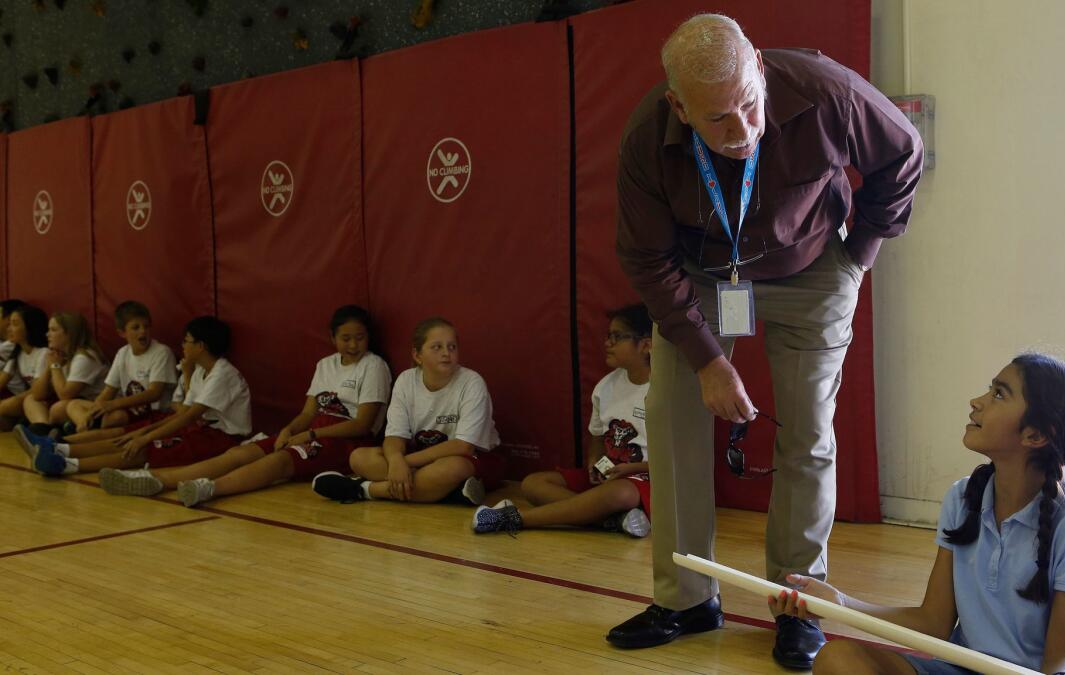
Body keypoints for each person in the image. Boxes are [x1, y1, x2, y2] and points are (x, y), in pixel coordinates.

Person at [606, 13, 924, 669]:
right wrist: (707, 358)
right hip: (703, 278)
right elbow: (648, 261)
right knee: (671, 422)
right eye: (719, 118)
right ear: (679, 107)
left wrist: (858, 256)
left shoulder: (823, 89)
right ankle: (687, 597)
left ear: (757, 61)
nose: (743, 130)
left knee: (808, 431)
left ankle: (798, 602)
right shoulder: (645, 140)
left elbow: (902, 153)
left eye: (750, 104)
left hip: (811, 270)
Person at [769, 354, 1065, 675]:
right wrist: (839, 604)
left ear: (1035, 434)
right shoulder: (963, 497)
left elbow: (1061, 658)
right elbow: (933, 622)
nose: (977, 401)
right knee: (838, 659)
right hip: (961, 668)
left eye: (998, 394)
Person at [97, 305, 391, 508]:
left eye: (359, 338)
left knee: (279, 462)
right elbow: (308, 413)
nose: (353, 344)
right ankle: (156, 480)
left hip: (347, 440)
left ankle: (210, 488)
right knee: (242, 452)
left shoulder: (373, 366)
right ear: (332, 337)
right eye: (345, 338)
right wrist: (289, 429)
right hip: (314, 431)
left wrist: (309, 437)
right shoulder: (325, 365)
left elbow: (362, 423)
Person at [474, 303, 652, 537]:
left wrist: (633, 468)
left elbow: (681, 461)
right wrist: (593, 464)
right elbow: (597, 436)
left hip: (644, 480)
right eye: (608, 336)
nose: (607, 343)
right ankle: (612, 520)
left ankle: (516, 518)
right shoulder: (606, 385)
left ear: (646, 344)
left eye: (617, 337)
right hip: (611, 477)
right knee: (533, 483)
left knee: (621, 494)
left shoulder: (667, 391)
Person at [20, 316, 251, 477]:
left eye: (186, 341)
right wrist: (141, 432)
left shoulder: (222, 374)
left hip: (222, 439)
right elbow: (183, 412)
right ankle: (59, 449)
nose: (182, 345)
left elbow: (187, 415)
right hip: (200, 428)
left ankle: (65, 464)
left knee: (141, 449)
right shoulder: (200, 369)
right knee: (129, 438)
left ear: (200, 346)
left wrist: (145, 437)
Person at [311, 316, 501, 506]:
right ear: (417, 355)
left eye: (452, 347)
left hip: (469, 459)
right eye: (437, 347)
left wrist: (404, 463)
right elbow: (394, 436)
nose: (446, 353)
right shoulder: (406, 380)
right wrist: (395, 461)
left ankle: (365, 489)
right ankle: (447, 492)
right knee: (359, 457)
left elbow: (463, 446)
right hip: (421, 458)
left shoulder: (472, 382)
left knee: (453, 468)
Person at [65, 301, 177, 433]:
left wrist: (112, 405)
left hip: (153, 413)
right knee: (73, 405)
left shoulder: (162, 352)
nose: (143, 331)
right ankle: (84, 427)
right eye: (136, 327)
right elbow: (109, 391)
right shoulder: (123, 352)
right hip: (129, 410)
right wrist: (93, 411)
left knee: (116, 417)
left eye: (146, 326)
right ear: (122, 333)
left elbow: (154, 393)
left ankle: (77, 432)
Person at [22, 311, 107, 435]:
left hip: (94, 406)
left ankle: (46, 433)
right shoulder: (60, 355)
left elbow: (65, 395)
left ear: (69, 334)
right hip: (76, 402)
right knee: (30, 400)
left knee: (59, 408)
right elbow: (37, 394)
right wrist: (49, 367)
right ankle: (45, 429)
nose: (47, 334)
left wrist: (55, 366)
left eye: (53, 330)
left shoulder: (85, 357)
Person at [0, 304, 49, 430]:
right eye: (9, 324)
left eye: (15, 324)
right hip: (29, 399)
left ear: (29, 327)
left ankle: (44, 431)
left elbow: (38, 392)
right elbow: (2, 381)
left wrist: (12, 401)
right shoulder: (17, 353)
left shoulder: (43, 353)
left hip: (45, 400)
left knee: (23, 402)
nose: (9, 329)